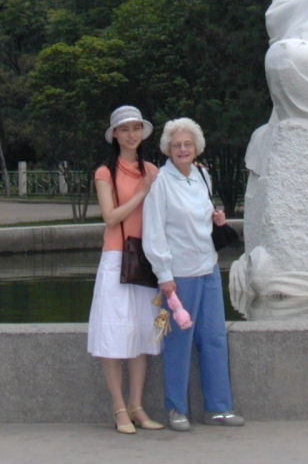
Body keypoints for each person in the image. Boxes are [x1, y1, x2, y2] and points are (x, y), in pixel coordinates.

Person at [142, 118, 244, 431]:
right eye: (176, 145)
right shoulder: (161, 182)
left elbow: (202, 217)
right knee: (179, 342)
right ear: (168, 150)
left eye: (187, 144)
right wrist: (164, 274)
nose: (183, 149)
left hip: (208, 267)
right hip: (179, 274)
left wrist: (217, 218)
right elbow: (154, 230)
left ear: (196, 147)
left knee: (213, 338)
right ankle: (176, 409)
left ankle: (218, 407)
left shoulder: (202, 175)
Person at [86, 105, 164, 434]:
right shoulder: (105, 171)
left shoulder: (152, 169)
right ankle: (119, 408)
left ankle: (137, 406)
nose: (131, 134)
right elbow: (110, 216)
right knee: (114, 334)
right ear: (115, 134)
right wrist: (143, 193)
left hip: (146, 260)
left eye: (136, 128)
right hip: (117, 257)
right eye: (125, 129)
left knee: (143, 335)